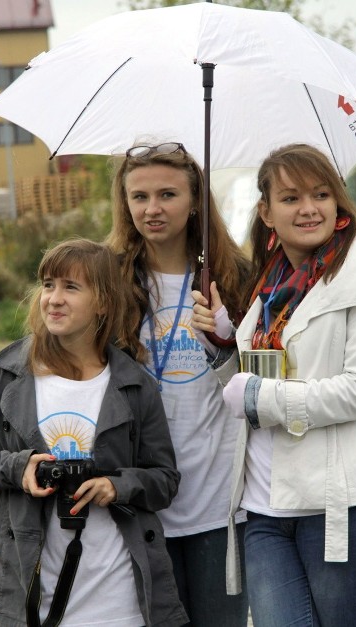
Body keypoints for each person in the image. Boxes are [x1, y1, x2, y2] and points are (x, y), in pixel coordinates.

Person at [192, 143, 356, 627]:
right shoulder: (268, 285)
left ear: (339, 204)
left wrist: (257, 396)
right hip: (265, 507)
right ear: (266, 212)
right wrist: (223, 345)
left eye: (321, 194)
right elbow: (255, 384)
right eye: (290, 198)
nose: (308, 208)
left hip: (344, 506)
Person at [0, 238, 187, 627]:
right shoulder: (7, 373)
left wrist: (117, 486)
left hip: (119, 598)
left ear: (104, 302)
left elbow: (164, 479)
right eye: (48, 285)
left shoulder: (133, 384)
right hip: (32, 597)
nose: (54, 299)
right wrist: (19, 468)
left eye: (71, 287)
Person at [105, 141, 250, 626]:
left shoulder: (236, 276)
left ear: (195, 201)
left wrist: (225, 342)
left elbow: (266, 377)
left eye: (168, 194)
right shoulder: (110, 280)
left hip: (219, 502)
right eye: (139, 196)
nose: (152, 209)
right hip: (142, 499)